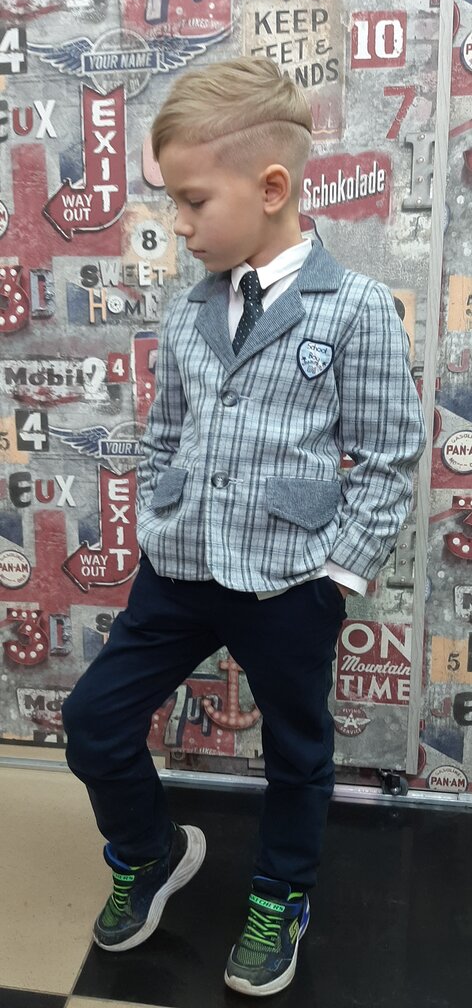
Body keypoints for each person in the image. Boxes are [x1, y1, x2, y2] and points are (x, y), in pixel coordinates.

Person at [62, 56, 427, 997]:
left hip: (288, 579)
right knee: (95, 721)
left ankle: (281, 893)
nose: (179, 226)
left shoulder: (355, 311)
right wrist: (159, 517)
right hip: (180, 569)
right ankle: (149, 852)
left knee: (298, 751)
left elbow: (387, 457)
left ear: (271, 189)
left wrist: (336, 577)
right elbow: (167, 434)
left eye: (193, 203)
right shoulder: (190, 311)